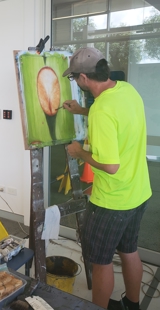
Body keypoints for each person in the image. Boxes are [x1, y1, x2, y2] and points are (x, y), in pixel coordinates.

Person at [62, 47, 152, 310]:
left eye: (75, 78)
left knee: (100, 263)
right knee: (129, 251)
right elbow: (117, 118)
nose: (76, 83)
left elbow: (111, 166)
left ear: (83, 78)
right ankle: (132, 305)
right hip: (138, 192)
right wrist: (81, 110)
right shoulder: (126, 90)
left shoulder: (101, 110)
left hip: (112, 201)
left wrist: (79, 152)